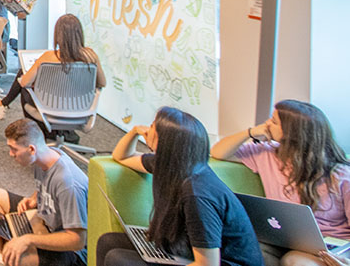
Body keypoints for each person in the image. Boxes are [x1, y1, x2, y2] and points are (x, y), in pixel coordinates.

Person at [102, 107, 263, 266]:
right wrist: (135, 131)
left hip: (219, 263)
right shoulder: (174, 166)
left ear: (165, 142)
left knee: (118, 259)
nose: (147, 130)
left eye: (152, 127)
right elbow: (122, 156)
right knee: (108, 241)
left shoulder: (197, 194)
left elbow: (207, 264)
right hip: (187, 251)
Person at [210, 100, 349, 266]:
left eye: (274, 121)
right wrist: (251, 132)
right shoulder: (266, 153)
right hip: (285, 240)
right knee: (243, 249)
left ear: (293, 132)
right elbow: (218, 152)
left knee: (293, 261)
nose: (267, 124)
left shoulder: (341, 175)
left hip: (328, 248)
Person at [0, 119, 89, 266]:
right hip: (45, 218)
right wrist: (34, 198)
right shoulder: (46, 156)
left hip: (72, 252)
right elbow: (47, 183)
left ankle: (2, 238)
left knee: (15, 257)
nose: (11, 154)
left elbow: (77, 240)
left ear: (31, 149)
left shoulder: (68, 183)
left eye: (14, 149)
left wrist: (28, 239)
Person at [0, 14, 105, 125]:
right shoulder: (91, 56)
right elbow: (102, 83)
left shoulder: (48, 57)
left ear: (58, 35)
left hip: (49, 107)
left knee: (24, 83)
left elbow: (25, 82)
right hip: (80, 108)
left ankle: (36, 127)